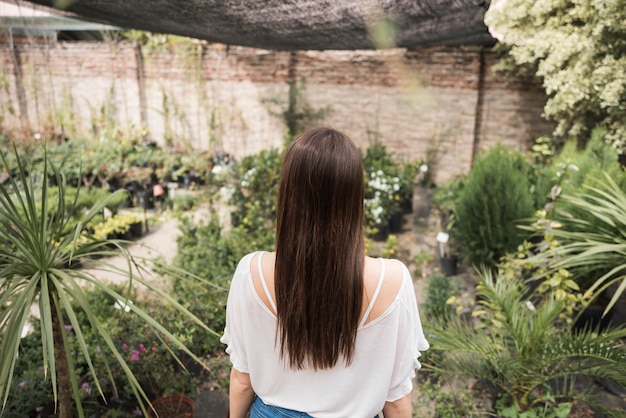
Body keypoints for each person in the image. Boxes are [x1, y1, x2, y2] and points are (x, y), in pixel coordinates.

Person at [221, 127, 429, 417]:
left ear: (288, 195)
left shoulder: (251, 272)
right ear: (354, 196)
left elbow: (243, 381)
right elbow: (395, 400)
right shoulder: (392, 282)